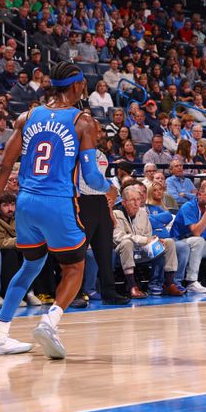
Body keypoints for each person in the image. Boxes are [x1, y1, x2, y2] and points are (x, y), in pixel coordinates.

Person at [0, 61, 116, 358]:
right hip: (57, 202)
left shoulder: (27, 117)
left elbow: (2, 167)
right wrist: (110, 187)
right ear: (78, 86)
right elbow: (91, 178)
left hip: (25, 203)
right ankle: (49, 322)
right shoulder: (83, 121)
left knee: (31, 265)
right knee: (75, 267)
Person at [77, 119, 130, 306]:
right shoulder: (76, 153)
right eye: (97, 131)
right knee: (79, 252)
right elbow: (87, 181)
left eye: (101, 131)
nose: (100, 134)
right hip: (81, 201)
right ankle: (74, 294)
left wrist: (109, 211)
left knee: (105, 251)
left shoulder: (101, 155)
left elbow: (102, 186)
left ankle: (109, 292)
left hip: (100, 202)